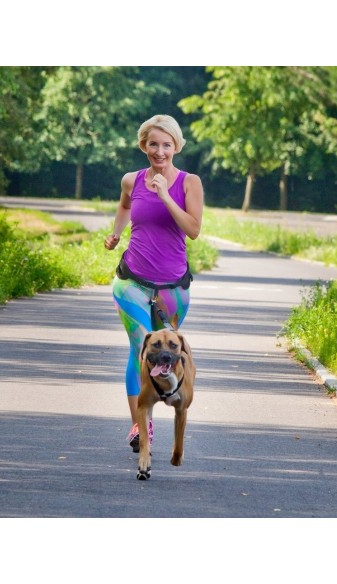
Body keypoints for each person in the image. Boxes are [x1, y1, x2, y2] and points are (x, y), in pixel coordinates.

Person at [104, 114, 204, 452]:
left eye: (166, 144)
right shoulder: (131, 180)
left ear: (176, 146)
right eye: (153, 144)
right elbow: (123, 205)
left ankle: (162, 403)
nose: (159, 151)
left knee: (165, 356)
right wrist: (117, 232)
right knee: (140, 348)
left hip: (173, 289)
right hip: (132, 280)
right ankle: (140, 426)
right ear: (143, 146)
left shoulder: (189, 183)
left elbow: (192, 229)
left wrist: (165, 196)